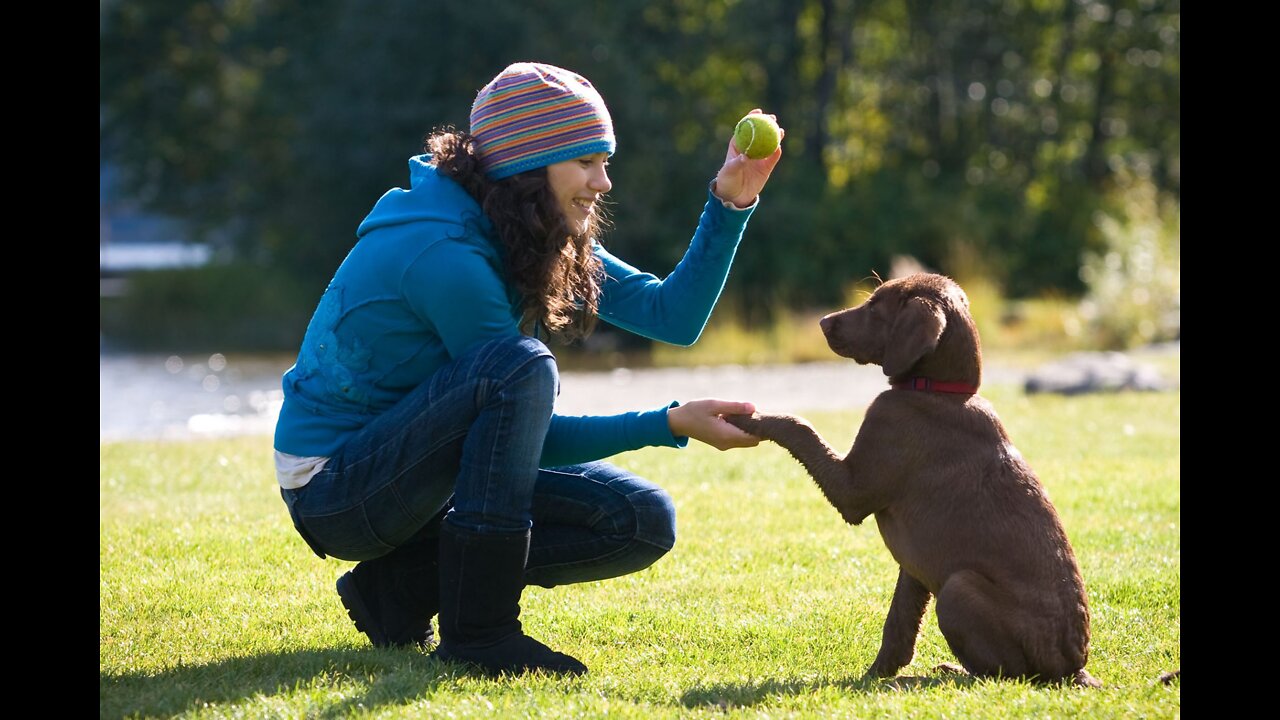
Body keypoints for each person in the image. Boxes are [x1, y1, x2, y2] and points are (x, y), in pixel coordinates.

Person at [273, 61, 783, 676]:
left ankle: (398, 591)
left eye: (604, 160)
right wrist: (667, 423)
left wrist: (732, 200)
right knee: (519, 367)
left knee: (640, 521)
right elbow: (527, 430)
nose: (604, 181)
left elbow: (670, 316)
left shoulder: (528, 225)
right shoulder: (446, 253)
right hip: (337, 490)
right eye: (586, 161)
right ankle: (480, 635)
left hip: (418, 477)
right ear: (527, 166)